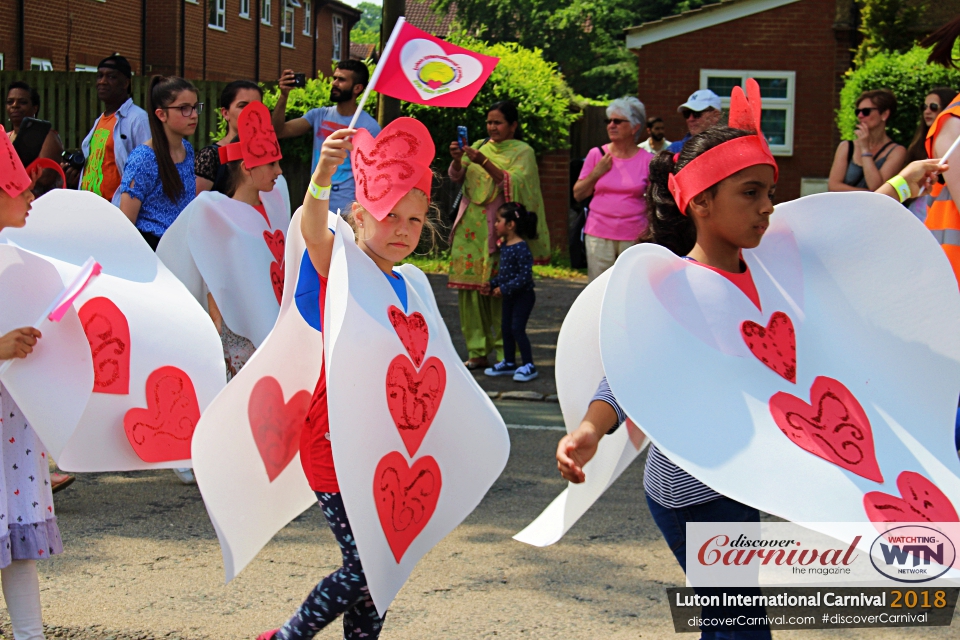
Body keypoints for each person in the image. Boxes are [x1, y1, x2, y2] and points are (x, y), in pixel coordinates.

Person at [558, 85, 779, 638]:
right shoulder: (678, 287)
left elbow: (833, 236)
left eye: (769, 192)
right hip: (693, 489)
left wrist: (902, 184)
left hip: (737, 477)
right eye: (750, 193)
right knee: (739, 626)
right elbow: (633, 372)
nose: (768, 208)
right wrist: (590, 428)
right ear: (701, 203)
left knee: (735, 622)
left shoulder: (767, 268)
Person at [256, 117, 439, 640]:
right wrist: (322, 174)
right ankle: (287, 636)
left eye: (414, 220)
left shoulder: (414, 286)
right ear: (359, 215)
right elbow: (313, 228)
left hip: (388, 447)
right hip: (333, 442)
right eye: (389, 216)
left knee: (382, 566)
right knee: (364, 566)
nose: (402, 229)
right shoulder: (343, 263)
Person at [161, 101, 286, 380]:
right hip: (237, 332)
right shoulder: (217, 213)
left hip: (278, 321)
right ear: (246, 167)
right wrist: (217, 330)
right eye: (272, 164)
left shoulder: (277, 203)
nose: (279, 171)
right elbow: (212, 273)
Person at [0, 131, 65, 639]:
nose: (29, 196)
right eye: (18, 187)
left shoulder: (18, 255)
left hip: (13, 428)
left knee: (17, 546)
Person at [448, 100, 550, 370]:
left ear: (513, 125)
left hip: (501, 231)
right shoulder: (479, 145)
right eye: (489, 122)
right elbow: (458, 178)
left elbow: (517, 183)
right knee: (469, 294)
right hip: (470, 229)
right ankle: (477, 351)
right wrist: (459, 160)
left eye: (498, 122)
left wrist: (483, 161)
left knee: (501, 289)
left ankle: (506, 353)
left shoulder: (522, 151)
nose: (492, 127)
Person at [270, 62, 380, 216]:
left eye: (341, 80)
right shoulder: (319, 115)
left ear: (357, 88)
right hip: (317, 204)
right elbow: (278, 131)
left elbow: (373, 176)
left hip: (348, 212)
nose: (334, 83)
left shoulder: (369, 127)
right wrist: (283, 96)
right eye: (334, 78)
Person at [573, 96, 653, 281]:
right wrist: (596, 173)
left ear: (634, 127)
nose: (611, 125)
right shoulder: (597, 155)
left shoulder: (647, 160)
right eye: (608, 121)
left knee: (630, 288)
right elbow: (578, 194)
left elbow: (652, 201)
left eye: (617, 121)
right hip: (598, 234)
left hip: (634, 235)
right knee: (599, 289)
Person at [118, 76, 199, 251]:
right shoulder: (143, 158)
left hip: (181, 250)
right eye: (184, 108)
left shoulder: (187, 149)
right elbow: (126, 222)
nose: (193, 115)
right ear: (161, 114)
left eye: (195, 107)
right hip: (151, 249)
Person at [69, 55, 150, 202]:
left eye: (111, 77)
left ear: (125, 83)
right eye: (99, 76)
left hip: (116, 210)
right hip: (90, 208)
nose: (102, 82)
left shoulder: (137, 119)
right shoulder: (100, 120)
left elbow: (148, 168)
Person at [483, 202, 539, 382]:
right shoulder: (506, 246)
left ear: (510, 225)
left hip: (523, 297)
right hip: (510, 296)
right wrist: (492, 284)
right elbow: (506, 274)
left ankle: (529, 364)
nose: (495, 224)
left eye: (498, 220)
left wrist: (504, 288)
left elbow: (525, 276)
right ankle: (508, 362)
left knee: (517, 329)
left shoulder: (521, 247)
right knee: (505, 328)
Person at [828, 89, 906, 192]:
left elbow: (878, 189)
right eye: (858, 112)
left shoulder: (896, 151)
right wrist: (867, 193)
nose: (860, 116)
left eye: (866, 112)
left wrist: (865, 150)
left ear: (884, 115)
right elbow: (833, 186)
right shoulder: (847, 147)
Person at [194, 80, 263, 194]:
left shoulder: (265, 154)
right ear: (225, 113)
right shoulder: (211, 157)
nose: (250, 112)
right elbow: (195, 207)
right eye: (242, 106)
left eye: (256, 106)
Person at [6, 81, 64, 195]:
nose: (14, 105)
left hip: (39, 204)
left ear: (35, 108)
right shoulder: (5, 138)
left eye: (22, 102)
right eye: (10, 102)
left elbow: (46, 177)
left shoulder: (46, 136)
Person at [666, 89, 722, 154]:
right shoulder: (674, 150)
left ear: (715, 116)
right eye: (687, 113)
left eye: (696, 113)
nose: (690, 119)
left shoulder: (728, 149)